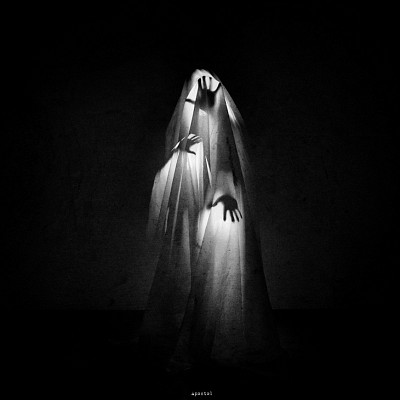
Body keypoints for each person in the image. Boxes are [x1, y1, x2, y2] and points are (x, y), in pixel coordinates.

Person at [140, 69, 281, 371]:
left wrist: (226, 195)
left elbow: (229, 163)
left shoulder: (227, 126)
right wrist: (180, 154)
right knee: (199, 273)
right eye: (194, 96)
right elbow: (167, 181)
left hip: (221, 215)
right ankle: (197, 338)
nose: (198, 100)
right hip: (202, 213)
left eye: (207, 92)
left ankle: (209, 341)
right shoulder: (190, 135)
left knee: (215, 274)